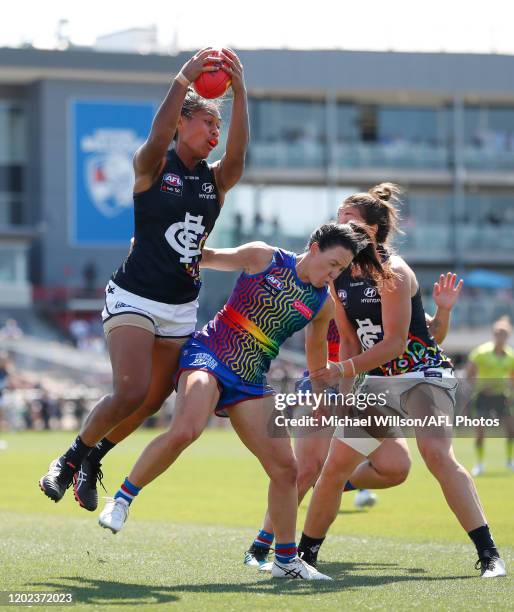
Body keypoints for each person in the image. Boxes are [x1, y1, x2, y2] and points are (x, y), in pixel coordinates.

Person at [97, 222, 390, 580]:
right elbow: (206, 257)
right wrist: (153, 251)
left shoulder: (322, 303)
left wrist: (319, 397)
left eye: (341, 270)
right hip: (209, 354)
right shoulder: (264, 257)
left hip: (250, 377)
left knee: (286, 470)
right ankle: (123, 499)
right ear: (313, 247)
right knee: (187, 429)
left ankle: (285, 561)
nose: (334, 273)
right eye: (332, 263)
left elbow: (315, 355)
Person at [39, 47, 249, 512]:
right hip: (135, 295)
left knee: (151, 402)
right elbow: (157, 136)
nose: (216, 133)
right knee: (130, 390)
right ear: (182, 124)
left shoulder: (215, 180)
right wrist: (182, 79)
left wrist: (241, 92)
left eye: (219, 125)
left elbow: (238, 153)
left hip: (180, 307)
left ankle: (94, 458)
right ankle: (70, 459)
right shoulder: (154, 165)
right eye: (208, 124)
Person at [295, 183, 506, 579]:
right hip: (377, 382)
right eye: (338, 218)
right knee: (336, 467)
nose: (340, 225)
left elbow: (394, 345)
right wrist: (343, 397)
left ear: (373, 230)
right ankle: (302, 560)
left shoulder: (393, 271)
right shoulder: (338, 278)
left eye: (349, 220)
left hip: (423, 373)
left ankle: (490, 555)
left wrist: (342, 371)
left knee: (437, 456)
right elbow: (351, 341)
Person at [244, 249, 463, 569]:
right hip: (324, 383)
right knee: (306, 469)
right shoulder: (326, 280)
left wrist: (443, 311)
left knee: (396, 466)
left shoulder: (382, 280)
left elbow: (426, 336)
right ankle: (260, 547)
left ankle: (333, 485)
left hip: (362, 386)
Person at [467, 316, 514, 476]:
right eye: (498, 333)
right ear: (494, 334)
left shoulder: (510, 356)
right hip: (483, 397)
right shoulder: (481, 353)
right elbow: (469, 374)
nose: (501, 337)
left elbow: (512, 377)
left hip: (502, 397)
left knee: (510, 430)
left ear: (508, 336)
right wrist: (479, 387)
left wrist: (510, 393)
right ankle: (479, 464)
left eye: (504, 334)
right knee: (480, 431)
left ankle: (509, 460)